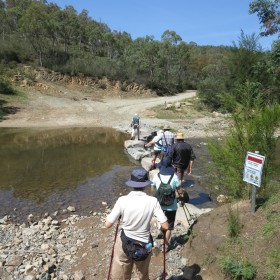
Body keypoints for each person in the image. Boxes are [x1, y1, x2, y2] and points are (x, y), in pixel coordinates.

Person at [105, 168, 169, 280]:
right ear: (145, 184)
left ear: (131, 184)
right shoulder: (153, 201)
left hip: (125, 242)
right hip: (144, 244)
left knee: (121, 273)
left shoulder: (122, 200)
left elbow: (108, 224)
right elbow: (165, 226)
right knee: (143, 274)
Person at [151, 156, 183, 244]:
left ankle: (162, 231)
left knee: (161, 221)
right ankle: (165, 245)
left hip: (159, 205)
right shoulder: (174, 177)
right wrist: (181, 194)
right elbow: (180, 191)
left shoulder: (156, 176)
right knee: (169, 226)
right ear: (171, 165)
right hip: (171, 206)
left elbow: (152, 189)